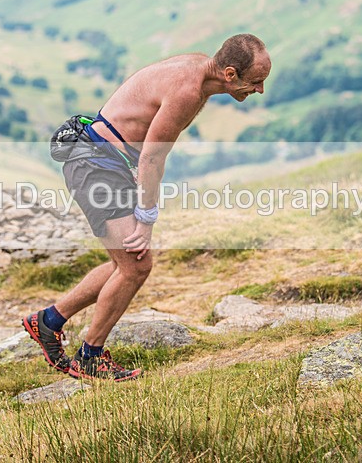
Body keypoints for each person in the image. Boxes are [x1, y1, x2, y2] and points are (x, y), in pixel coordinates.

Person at [23, 33, 271, 381]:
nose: (259, 90)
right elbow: (152, 158)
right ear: (230, 74)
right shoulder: (187, 91)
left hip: (104, 161)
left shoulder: (200, 68)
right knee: (136, 265)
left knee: (124, 263)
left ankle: (48, 322)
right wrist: (146, 220)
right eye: (256, 82)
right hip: (96, 164)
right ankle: (89, 356)